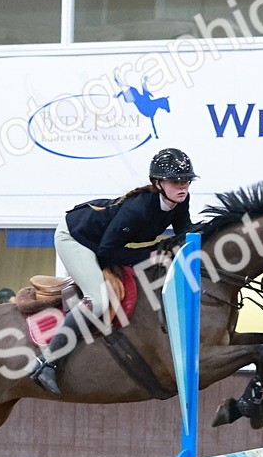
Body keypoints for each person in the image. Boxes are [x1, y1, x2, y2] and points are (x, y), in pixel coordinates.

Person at [30, 147, 198, 395]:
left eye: (186, 180)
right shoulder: (138, 208)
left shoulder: (179, 201)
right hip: (76, 238)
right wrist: (150, 254)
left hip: (101, 241)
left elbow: (185, 235)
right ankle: (47, 362)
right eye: (175, 181)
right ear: (158, 183)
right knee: (97, 299)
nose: (182, 186)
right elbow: (107, 252)